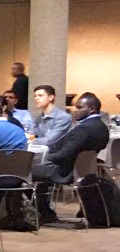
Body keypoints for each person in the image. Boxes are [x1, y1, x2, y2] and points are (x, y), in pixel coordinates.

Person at [32, 93, 109, 222]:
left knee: (28, 170)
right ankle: (44, 211)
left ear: (92, 109)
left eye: (79, 108)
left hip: (67, 171)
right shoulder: (101, 126)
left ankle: (42, 212)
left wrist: (43, 157)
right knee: (38, 169)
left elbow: (64, 154)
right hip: (83, 169)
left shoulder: (84, 129)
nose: (75, 111)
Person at [31, 84, 73, 150]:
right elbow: (33, 135)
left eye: (40, 95)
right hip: (42, 152)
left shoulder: (63, 117)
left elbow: (49, 140)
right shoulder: (39, 118)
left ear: (51, 97)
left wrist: (27, 141)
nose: (36, 98)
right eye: (35, 96)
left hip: (58, 156)